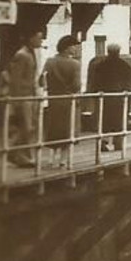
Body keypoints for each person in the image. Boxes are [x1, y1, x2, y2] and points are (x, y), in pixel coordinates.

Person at [41, 35, 82, 167]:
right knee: (67, 130)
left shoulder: (49, 61)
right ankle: (63, 160)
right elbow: (76, 85)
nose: (76, 49)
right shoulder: (75, 64)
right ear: (67, 48)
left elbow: (41, 81)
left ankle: (51, 159)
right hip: (69, 100)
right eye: (74, 46)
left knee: (54, 129)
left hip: (53, 99)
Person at [5, 31, 43, 167]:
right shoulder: (22, 55)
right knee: (26, 127)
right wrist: (17, 100)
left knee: (28, 127)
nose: (41, 40)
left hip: (29, 95)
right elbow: (16, 79)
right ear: (30, 38)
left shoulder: (30, 54)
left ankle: (16, 154)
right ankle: (23, 156)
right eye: (39, 37)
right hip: (23, 96)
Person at [88, 42, 131, 151]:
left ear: (107, 51)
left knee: (103, 121)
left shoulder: (100, 65)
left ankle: (103, 143)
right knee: (119, 121)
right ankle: (118, 143)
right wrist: (129, 95)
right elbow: (129, 82)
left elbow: (95, 82)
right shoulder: (125, 65)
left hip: (104, 98)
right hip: (119, 98)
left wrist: (95, 94)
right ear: (118, 52)